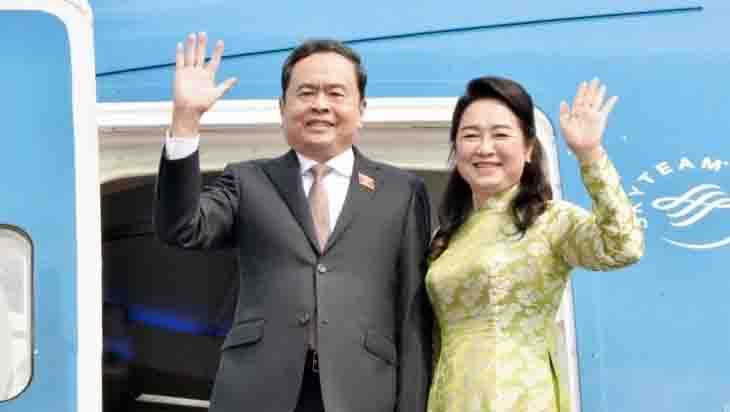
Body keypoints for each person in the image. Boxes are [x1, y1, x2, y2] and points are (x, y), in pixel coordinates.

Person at [154, 33, 433, 412]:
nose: (320, 105)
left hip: (363, 393)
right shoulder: (248, 181)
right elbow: (182, 228)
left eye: (335, 93)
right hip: (259, 391)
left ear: (362, 108)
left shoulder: (401, 191)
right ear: (282, 107)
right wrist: (185, 121)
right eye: (306, 93)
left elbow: (413, 315)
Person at [425, 76, 644, 412]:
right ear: (456, 149)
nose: (484, 148)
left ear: (528, 148)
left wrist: (590, 155)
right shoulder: (448, 235)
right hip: (450, 396)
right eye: (470, 135)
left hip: (519, 397)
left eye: (500, 134)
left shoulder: (550, 220)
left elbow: (623, 246)